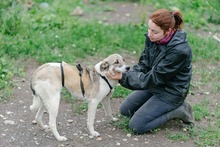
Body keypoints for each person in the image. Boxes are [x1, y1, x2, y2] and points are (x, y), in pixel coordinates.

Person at [106, 8, 194, 134]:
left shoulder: (179, 51)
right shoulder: (153, 38)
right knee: (125, 110)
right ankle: (155, 104)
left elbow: (154, 78)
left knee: (137, 126)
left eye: (154, 31)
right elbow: (144, 64)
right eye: (149, 28)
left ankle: (179, 109)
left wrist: (123, 78)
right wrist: (124, 73)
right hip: (155, 85)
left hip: (171, 92)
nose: (149, 34)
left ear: (168, 31)